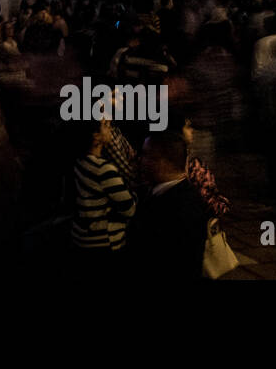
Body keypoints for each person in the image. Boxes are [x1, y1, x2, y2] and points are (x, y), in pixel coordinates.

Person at [129, 132, 210, 280]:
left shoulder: (183, 206)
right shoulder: (158, 190)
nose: (140, 160)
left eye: (146, 155)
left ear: (163, 162)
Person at [70, 119, 136, 267]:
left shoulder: (80, 162)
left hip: (82, 237)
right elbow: (129, 209)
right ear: (96, 137)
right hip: (104, 242)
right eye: (106, 125)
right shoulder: (103, 169)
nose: (110, 127)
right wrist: (134, 195)